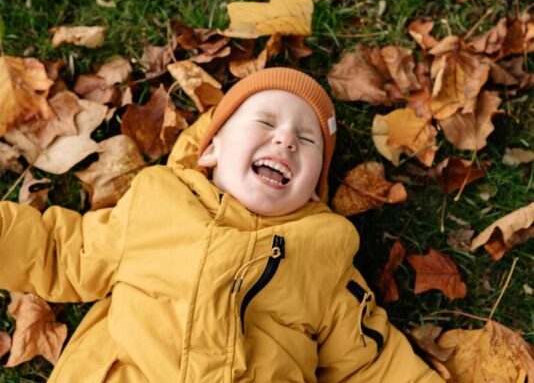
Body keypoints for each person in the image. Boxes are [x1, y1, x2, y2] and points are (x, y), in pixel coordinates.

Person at [0, 67, 444, 382]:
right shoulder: (156, 204)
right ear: (210, 151)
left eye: (306, 140)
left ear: (313, 190)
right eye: (266, 122)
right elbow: (60, 249)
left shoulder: (325, 263)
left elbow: (371, 367)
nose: (286, 139)